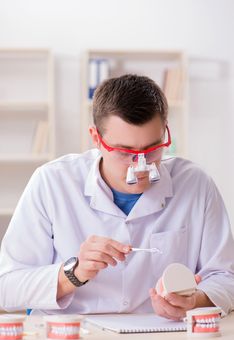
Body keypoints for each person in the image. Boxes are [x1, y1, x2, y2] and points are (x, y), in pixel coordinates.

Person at [0, 74, 234, 319]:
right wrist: (74, 273)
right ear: (95, 138)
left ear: (165, 133)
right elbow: (7, 287)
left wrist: (194, 301)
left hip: (160, 336)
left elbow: (225, 278)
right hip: (74, 335)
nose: (140, 166)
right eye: (125, 152)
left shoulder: (196, 184)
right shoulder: (52, 182)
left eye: (152, 149)